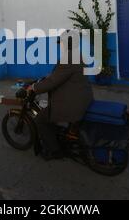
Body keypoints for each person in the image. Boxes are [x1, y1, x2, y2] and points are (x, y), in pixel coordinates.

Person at [27, 31, 94, 160]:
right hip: (83, 97)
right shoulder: (78, 55)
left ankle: (54, 151)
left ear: (66, 43)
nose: (60, 46)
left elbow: (53, 82)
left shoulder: (67, 59)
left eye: (61, 43)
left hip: (73, 103)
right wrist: (51, 76)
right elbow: (62, 76)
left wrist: (34, 87)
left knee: (40, 120)